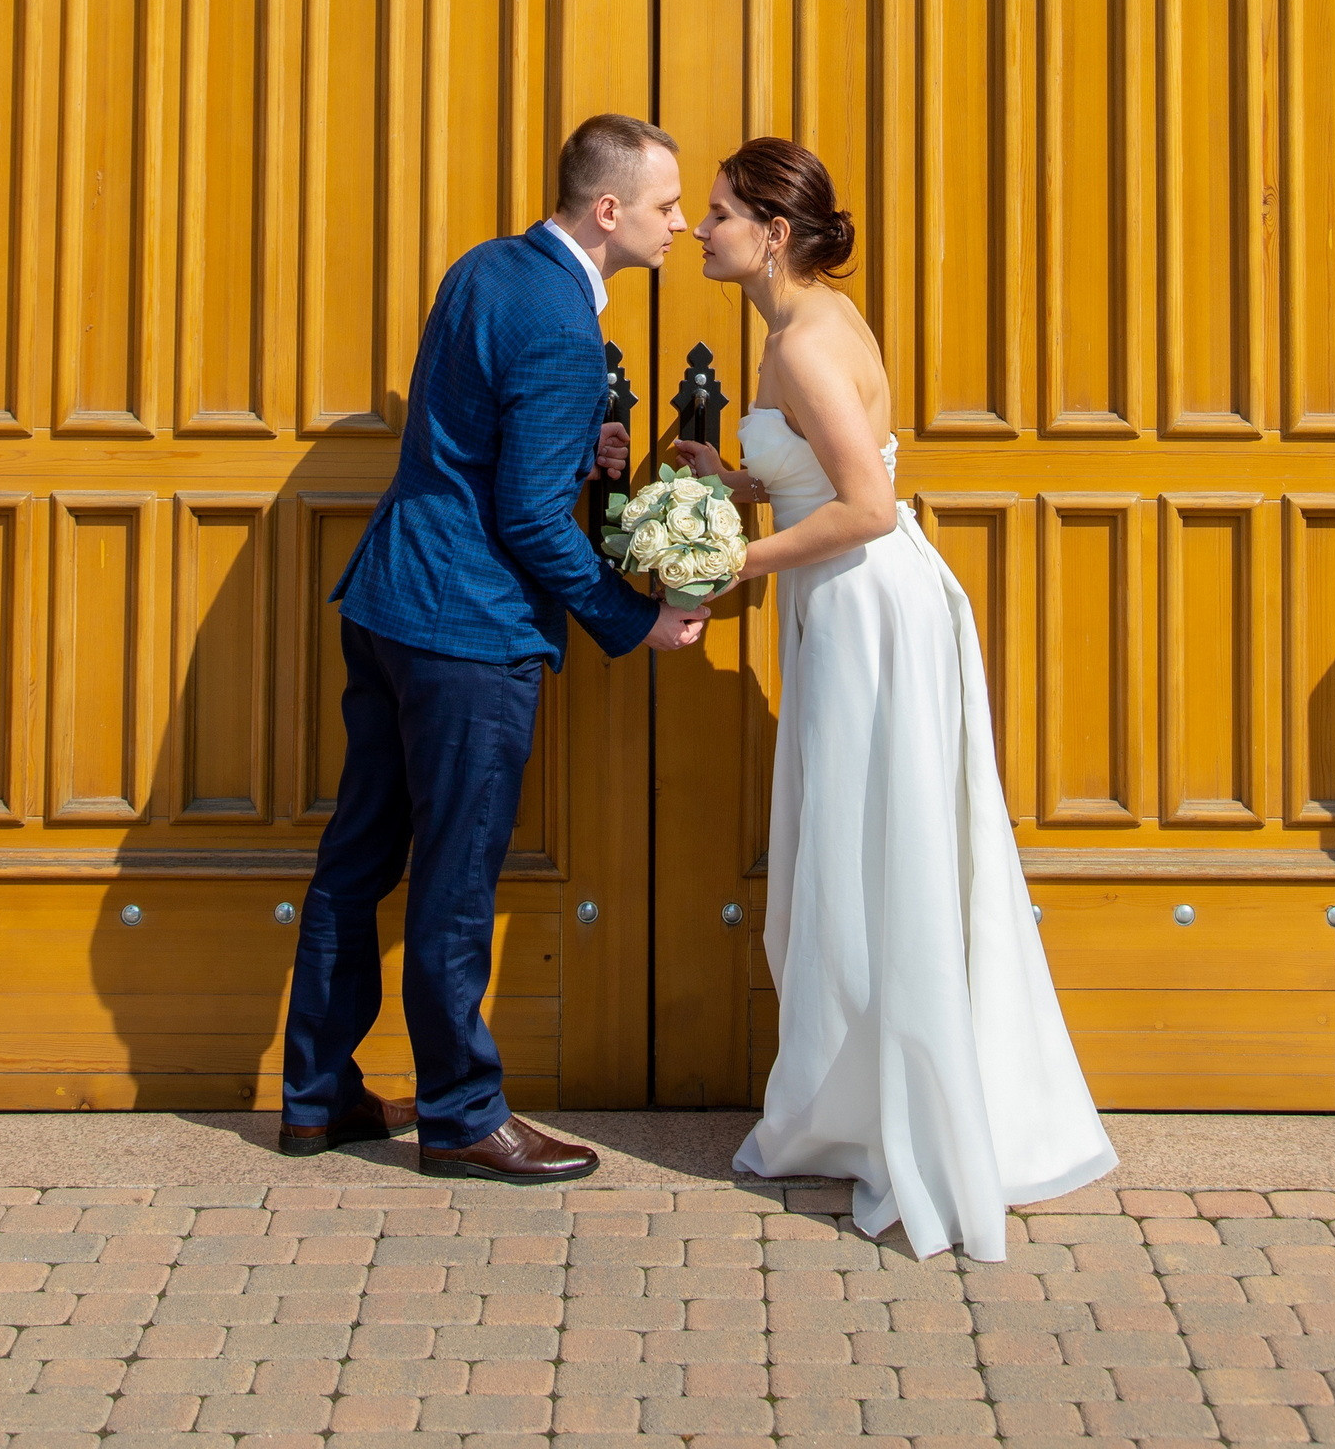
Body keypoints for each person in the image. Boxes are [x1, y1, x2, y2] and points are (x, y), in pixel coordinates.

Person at [684, 137, 1116, 1260]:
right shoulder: (807, 321)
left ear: (770, 235)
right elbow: (829, 475)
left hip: (868, 611)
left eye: (721, 212)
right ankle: (859, 1100)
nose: (701, 228)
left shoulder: (809, 342)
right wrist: (734, 482)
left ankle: (896, 1119)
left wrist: (740, 560)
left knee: (873, 850)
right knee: (862, 847)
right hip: (855, 609)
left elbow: (869, 507)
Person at [279, 114, 705, 1184]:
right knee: (455, 876)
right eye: (664, 208)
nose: (679, 225)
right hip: (465, 635)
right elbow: (521, 520)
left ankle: (315, 1094)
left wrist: (576, 444)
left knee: (357, 858)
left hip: (386, 601)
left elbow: (469, 434)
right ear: (607, 211)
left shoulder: (486, 267)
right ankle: (464, 1116)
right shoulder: (563, 326)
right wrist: (631, 618)